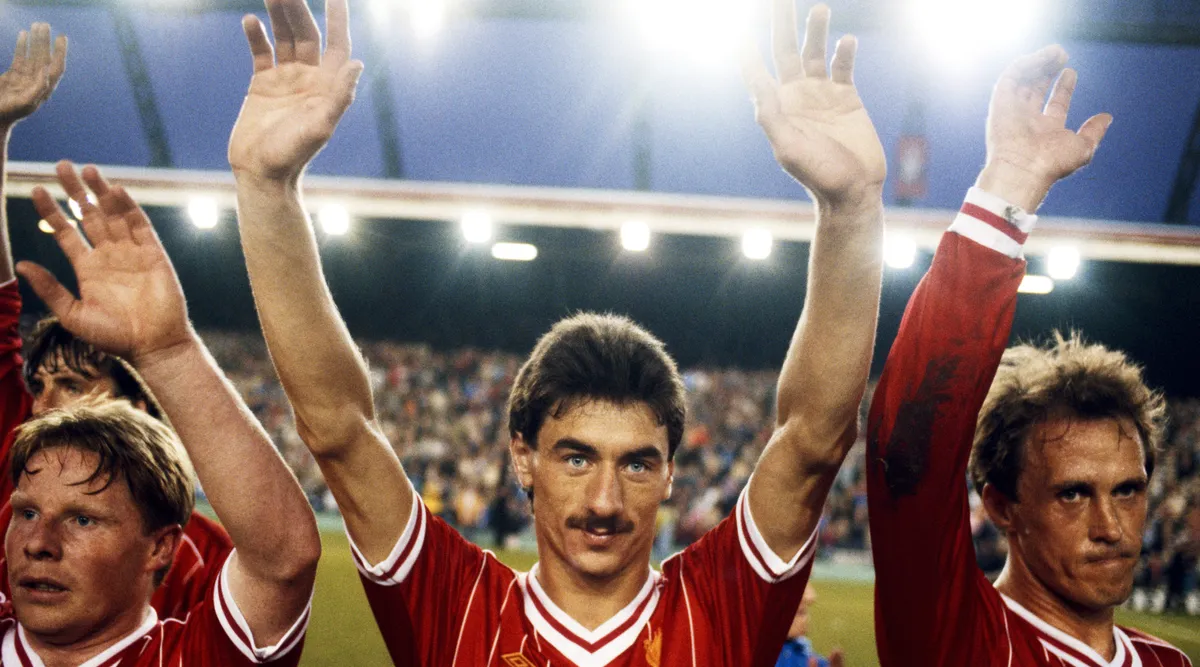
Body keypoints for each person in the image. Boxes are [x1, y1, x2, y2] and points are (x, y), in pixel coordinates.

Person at [227, 0, 885, 663]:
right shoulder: (458, 607)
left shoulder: (716, 607)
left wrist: (851, 207)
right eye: (576, 456)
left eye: (636, 462)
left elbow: (813, 439)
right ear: (523, 457)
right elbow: (339, 427)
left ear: (670, 476)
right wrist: (267, 188)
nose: (605, 500)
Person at [866, 46, 1192, 666]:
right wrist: (1009, 189)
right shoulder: (960, 642)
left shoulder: (1166, 662)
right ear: (1001, 506)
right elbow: (908, 452)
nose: (1112, 527)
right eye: (1072, 494)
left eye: (1128, 490)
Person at [4, 161, 319, 664]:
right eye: (25, 512)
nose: (36, 543)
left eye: (83, 519)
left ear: (160, 549)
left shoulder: (183, 649)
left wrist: (168, 353)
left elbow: (283, 561)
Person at [0, 25, 232, 622]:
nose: (43, 402)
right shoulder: (16, 462)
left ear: (139, 406)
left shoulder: (201, 556)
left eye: (72, 386)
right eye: (40, 383)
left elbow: (288, 562)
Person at [775, 585, 844, 667]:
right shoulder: (767, 653)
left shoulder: (801, 649)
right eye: (800, 613)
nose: (806, 619)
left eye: (805, 613)